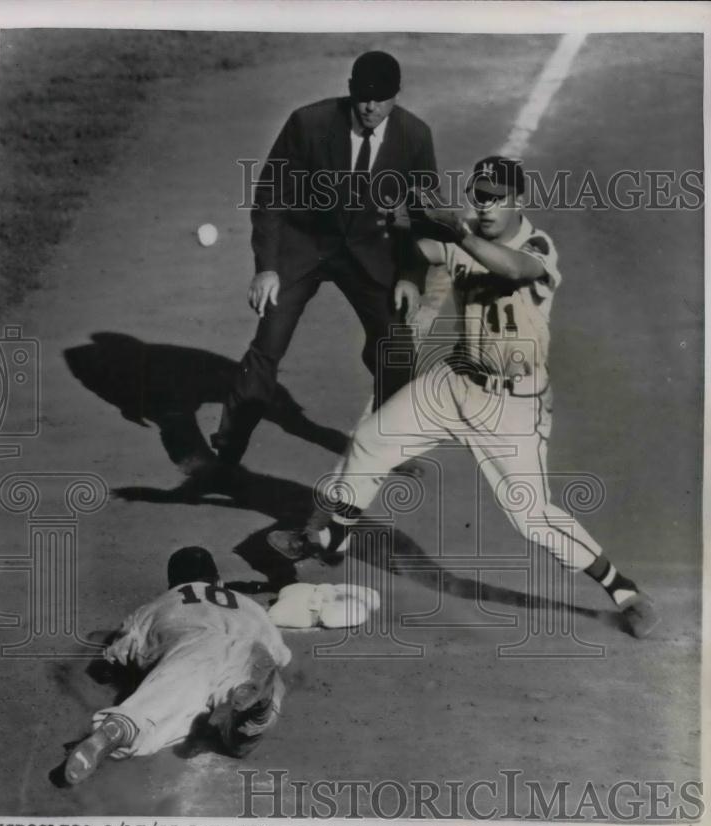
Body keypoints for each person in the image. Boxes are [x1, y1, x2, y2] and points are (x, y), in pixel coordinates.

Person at [267, 155, 660, 639]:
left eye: (497, 197)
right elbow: (416, 247)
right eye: (480, 195)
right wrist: (389, 218)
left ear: (519, 200)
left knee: (532, 517)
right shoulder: (463, 235)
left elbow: (513, 269)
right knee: (371, 438)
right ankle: (332, 535)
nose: (487, 205)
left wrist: (456, 234)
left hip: (511, 406)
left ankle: (623, 590)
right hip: (454, 381)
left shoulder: (535, 245)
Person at [210, 50, 438, 469]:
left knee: (397, 347)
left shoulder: (414, 135)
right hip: (305, 245)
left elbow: (422, 215)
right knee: (269, 343)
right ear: (350, 90)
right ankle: (228, 450)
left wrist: (409, 276)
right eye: (364, 97)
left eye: (382, 98)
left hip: (370, 251)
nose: (371, 108)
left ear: (396, 96)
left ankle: (383, 444)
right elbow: (270, 195)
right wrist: (267, 267)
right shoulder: (308, 123)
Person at [64, 547, 291, 784]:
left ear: (173, 585)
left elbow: (117, 655)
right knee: (242, 739)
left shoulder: (162, 603)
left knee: (168, 699)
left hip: (192, 649)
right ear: (219, 582)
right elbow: (281, 656)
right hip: (249, 650)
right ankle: (259, 709)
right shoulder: (250, 606)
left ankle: (123, 725)